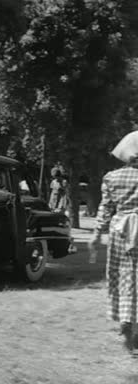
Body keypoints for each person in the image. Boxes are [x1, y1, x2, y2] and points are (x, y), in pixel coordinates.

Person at [89, 130, 138, 355]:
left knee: (122, 275)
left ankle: (125, 322)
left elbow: (105, 209)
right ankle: (134, 326)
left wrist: (97, 233)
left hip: (120, 232)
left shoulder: (112, 177)